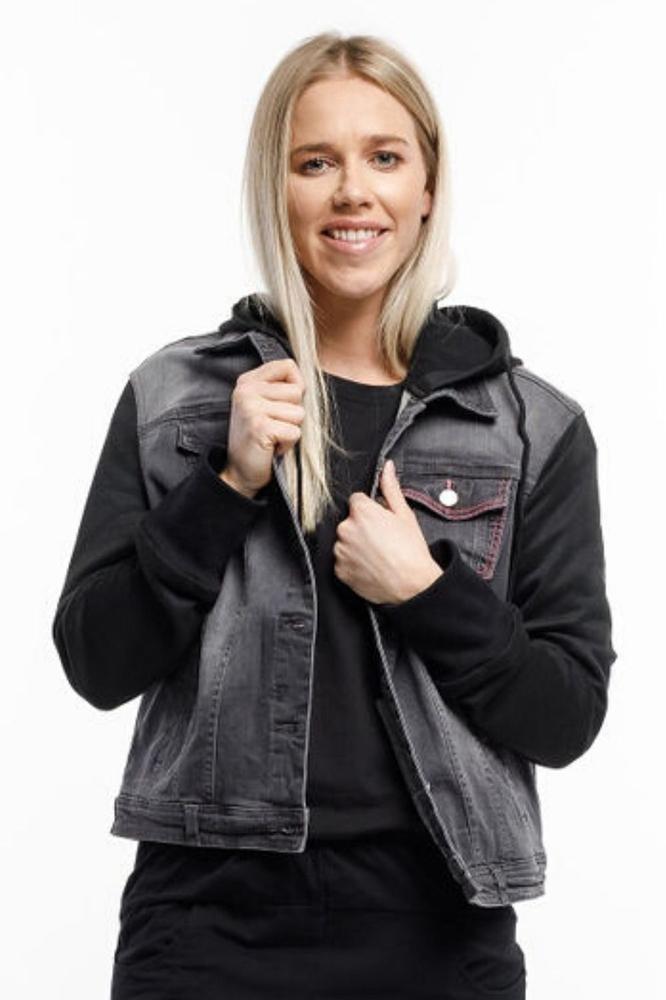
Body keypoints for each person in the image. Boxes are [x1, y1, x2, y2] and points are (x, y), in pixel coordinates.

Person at [51, 31, 617, 1000]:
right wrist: (225, 486)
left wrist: (427, 592)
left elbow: (566, 715)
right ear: (276, 189)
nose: (354, 192)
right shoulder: (175, 397)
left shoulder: (533, 428)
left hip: (440, 926)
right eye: (315, 162)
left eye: (384, 157)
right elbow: (95, 664)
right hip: (205, 924)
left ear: (427, 186)